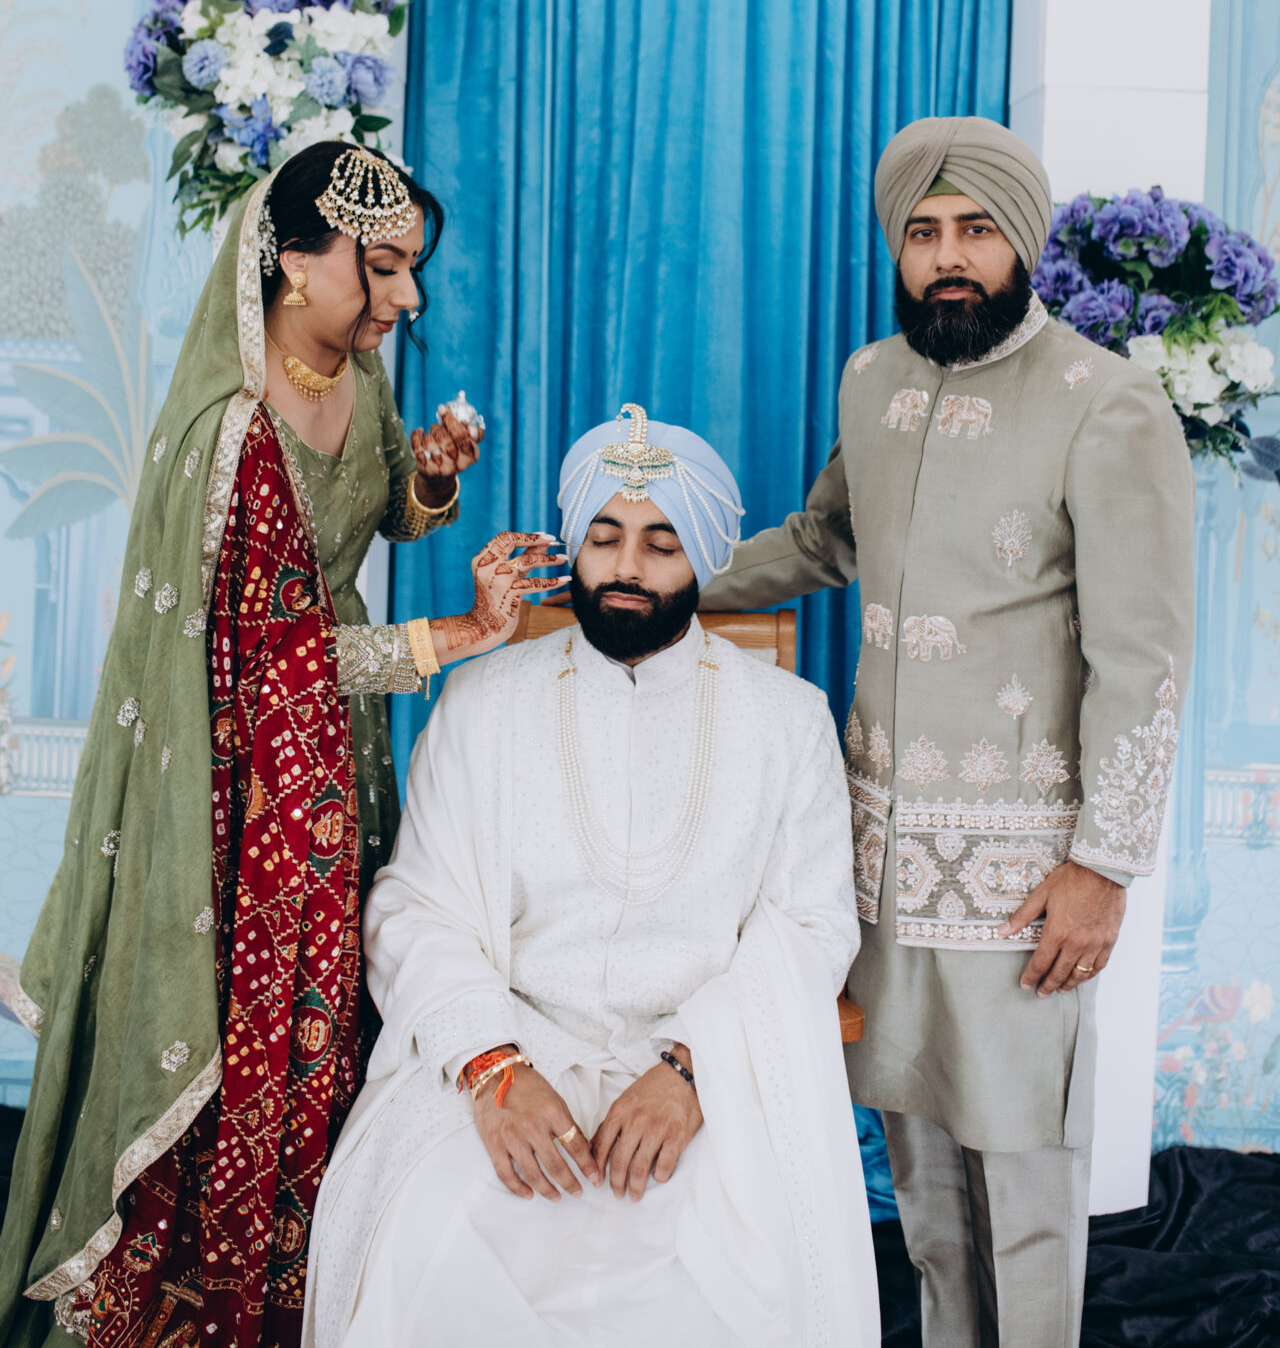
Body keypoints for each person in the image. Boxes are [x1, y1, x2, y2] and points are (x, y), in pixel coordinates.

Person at [0, 142, 566, 1348]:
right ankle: (195, 1311)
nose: (408, 297)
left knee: (329, 1031)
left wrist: (428, 480)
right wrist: (461, 634)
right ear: (297, 263)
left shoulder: (355, 371)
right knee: (235, 1039)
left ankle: (301, 1293)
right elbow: (265, 663)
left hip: (333, 759)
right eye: (384, 267)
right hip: (235, 786)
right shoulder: (236, 432)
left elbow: (376, 516)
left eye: (410, 268)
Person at [702, 116, 1196, 1348]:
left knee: (1023, 1189)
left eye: (974, 230)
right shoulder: (872, 379)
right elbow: (825, 537)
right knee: (920, 1189)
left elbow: (1142, 659)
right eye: (922, 234)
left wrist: (1102, 867)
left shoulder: (1105, 401)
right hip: (876, 866)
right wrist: (670, 583)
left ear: (1019, 240)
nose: (947, 259)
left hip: (1023, 881)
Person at [303, 404, 879, 1348]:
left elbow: (814, 926)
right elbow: (415, 909)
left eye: (661, 544)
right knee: (431, 1256)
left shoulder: (788, 720)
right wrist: (491, 1070)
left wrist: (693, 1071)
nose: (626, 569)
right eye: (604, 539)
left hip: (700, 1073)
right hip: (508, 1057)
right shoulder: (484, 702)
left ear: (702, 557)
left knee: (728, 1286)